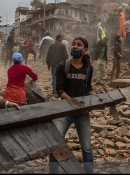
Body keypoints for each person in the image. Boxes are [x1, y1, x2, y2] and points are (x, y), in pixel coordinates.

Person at [48, 37, 95, 174]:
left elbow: (89, 87)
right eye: (73, 44)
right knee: (55, 144)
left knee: (86, 147)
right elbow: (60, 90)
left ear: (85, 50)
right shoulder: (64, 66)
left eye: (78, 45)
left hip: (83, 112)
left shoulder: (88, 68)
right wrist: (73, 103)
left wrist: (95, 100)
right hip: (65, 111)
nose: (74, 46)